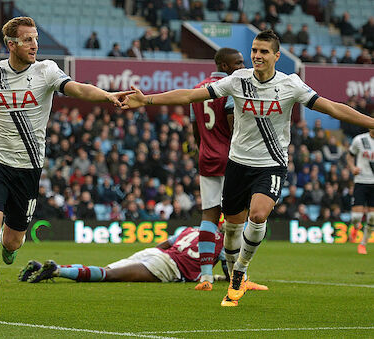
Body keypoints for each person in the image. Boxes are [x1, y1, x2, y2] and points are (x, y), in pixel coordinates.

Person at [121, 30, 374, 306]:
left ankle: (240, 271)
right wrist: (146, 100)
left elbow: (333, 108)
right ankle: (233, 273)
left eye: (264, 51)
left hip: (271, 165)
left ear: (277, 56)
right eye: (254, 50)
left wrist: (370, 123)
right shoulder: (238, 80)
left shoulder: (291, 85)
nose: (257, 55)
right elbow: (191, 95)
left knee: (258, 215)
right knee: (231, 228)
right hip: (238, 164)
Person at [0, 16, 132, 320]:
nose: (34, 45)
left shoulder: (46, 71)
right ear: (11, 44)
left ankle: (9, 247)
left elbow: (76, 88)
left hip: (28, 166)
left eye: (36, 38)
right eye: (28, 39)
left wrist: (107, 95)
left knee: (13, 239)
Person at [21, 227, 267, 290]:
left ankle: (51, 268)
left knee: (106, 269)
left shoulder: (191, 228)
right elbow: (229, 269)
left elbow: (166, 243)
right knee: (108, 276)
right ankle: (56, 271)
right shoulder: (225, 243)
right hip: (168, 266)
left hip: (156, 253)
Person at [189, 47, 244, 291]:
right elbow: (235, 127)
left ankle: (206, 276)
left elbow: (195, 129)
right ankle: (238, 276)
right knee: (237, 218)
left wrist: (204, 150)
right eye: (238, 63)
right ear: (224, 66)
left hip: (207, 158)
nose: (242, 67)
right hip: (231, 159)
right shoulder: (232, 87)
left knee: (209, 216)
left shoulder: (198, 88)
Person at [347, 122, 374, 254]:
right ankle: (356, 227)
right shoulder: (360, 140)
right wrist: (352, 168)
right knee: (357, 216)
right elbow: (349, 156)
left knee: (372, 217)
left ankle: (363, 244)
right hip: (361, 181)